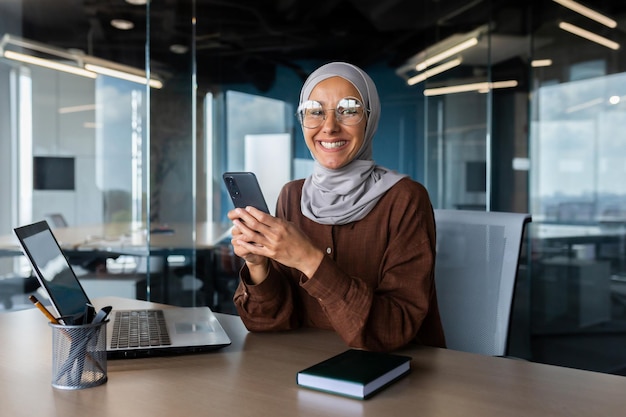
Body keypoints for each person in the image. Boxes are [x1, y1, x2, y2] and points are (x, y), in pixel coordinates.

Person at [228, 62, 445, 352]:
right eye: (315, 111)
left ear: (370, 118)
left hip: (393, 373)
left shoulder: (405, 199)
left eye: (349, 109)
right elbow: (267, 322)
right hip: (301, 367)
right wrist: (257, 264)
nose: (329, 126)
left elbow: (393, 329)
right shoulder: (292, 195)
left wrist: (309, 259)